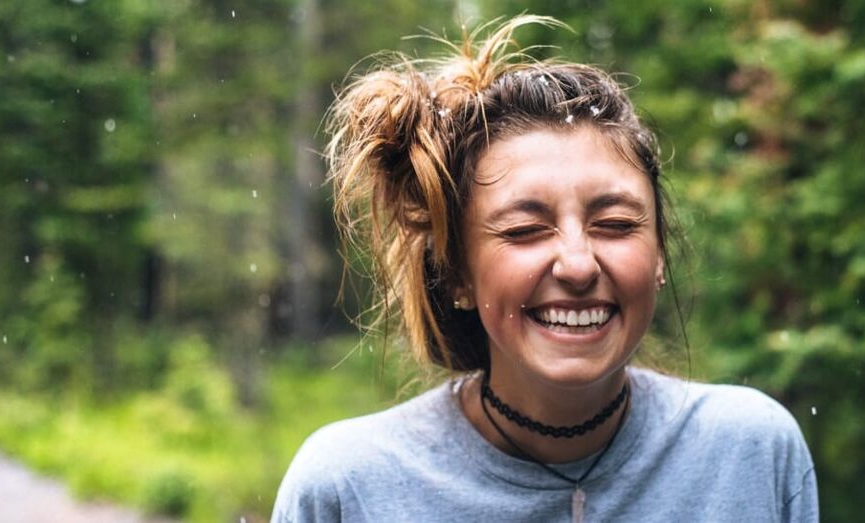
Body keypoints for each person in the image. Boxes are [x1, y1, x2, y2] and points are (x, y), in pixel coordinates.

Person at [272, 15, 818, 523]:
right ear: (458, 273)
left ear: (658, 257)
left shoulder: (750, 454)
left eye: (615, 224)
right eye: (523, 231)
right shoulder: (349, 488)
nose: (578, 265)